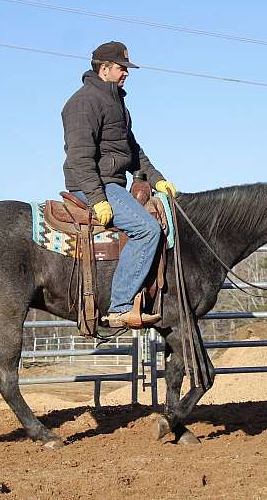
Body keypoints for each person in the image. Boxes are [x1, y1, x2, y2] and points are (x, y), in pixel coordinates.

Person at [61, 40, 177, 328]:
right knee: (147, 230)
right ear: (104, 69)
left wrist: (157, 179)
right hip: (95, 184)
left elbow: (133, 150)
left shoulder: (116, 101)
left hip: (111, 183)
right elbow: (79, 156)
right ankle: (120, 306)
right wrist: (96, 197)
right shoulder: (83, 102)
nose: (126, 73)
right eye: (122, 67)